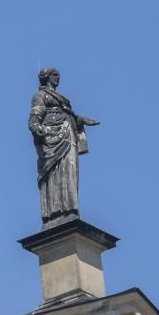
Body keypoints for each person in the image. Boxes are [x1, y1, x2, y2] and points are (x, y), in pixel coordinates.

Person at [30, 68, 98, 222]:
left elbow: (68, 114)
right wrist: (36, 127)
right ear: (47, 78)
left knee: (70, 170)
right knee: (54, 173)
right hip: (52, 137)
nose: (58, 78)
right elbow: (35, 116)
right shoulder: (40, 95)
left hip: (68, 134)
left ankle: (70, 207)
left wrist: (80, 119)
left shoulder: (62, 99)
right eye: (55, 75)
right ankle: (55, 210)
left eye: (59, 75)